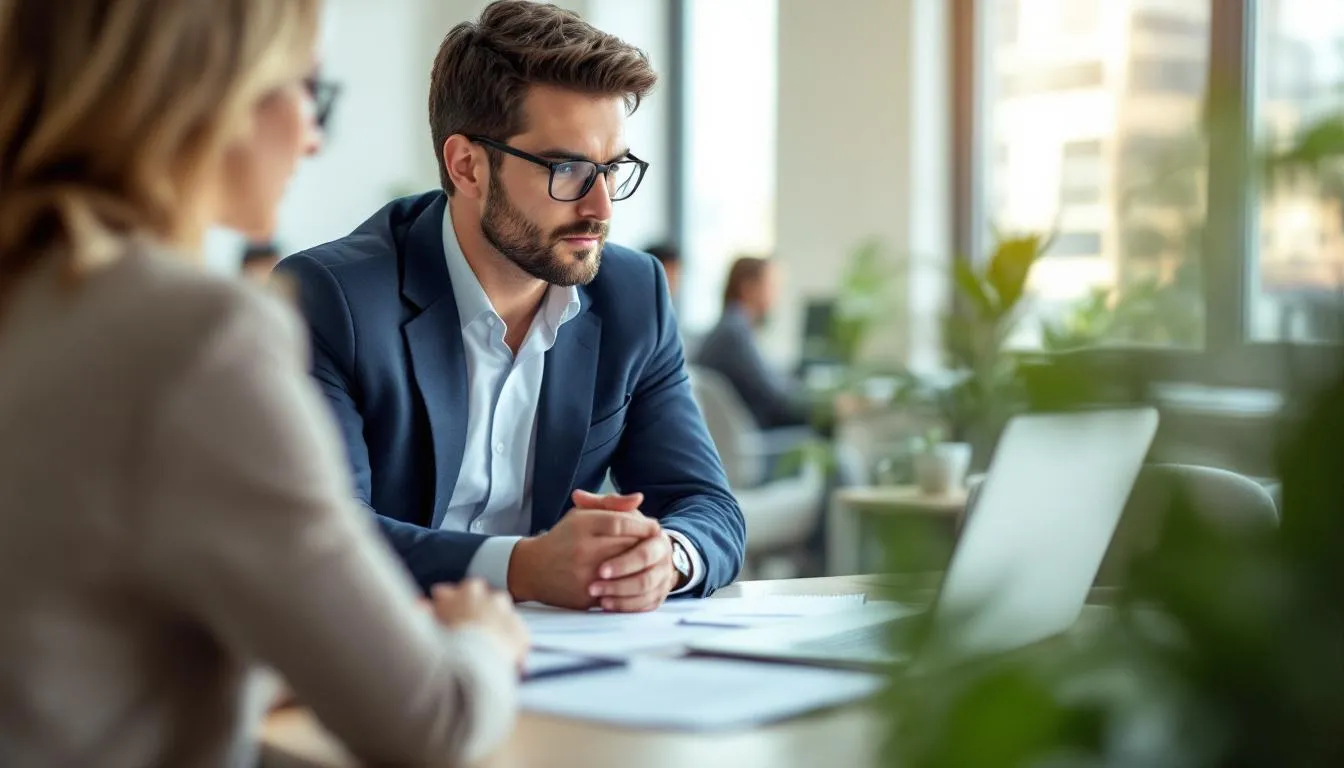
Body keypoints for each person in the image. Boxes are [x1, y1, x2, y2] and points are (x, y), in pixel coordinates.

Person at [0, 2, 527, 766]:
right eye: (311, 90)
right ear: (214, 91)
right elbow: (432, 722)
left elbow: (79, 648)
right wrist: (483, 637)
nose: (315, 138)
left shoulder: (33, 301)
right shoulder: (195, 338)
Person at [274, 0, 745, 612]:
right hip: (385, 647)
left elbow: (708, 506)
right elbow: (327, 534)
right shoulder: (331, 298)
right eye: (568, 168)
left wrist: (667, 556)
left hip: (561, 655)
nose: (601, 208)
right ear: (467, 166)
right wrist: (522, 568)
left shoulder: (634, 295)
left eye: (613, 168)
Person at [696, 256, 814, 430]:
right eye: (771, 286)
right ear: (748, 288)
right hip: (753, 439)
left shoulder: (734, 326)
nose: (776, 296)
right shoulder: (734, 333)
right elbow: (774, 396)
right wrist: (827, 404)